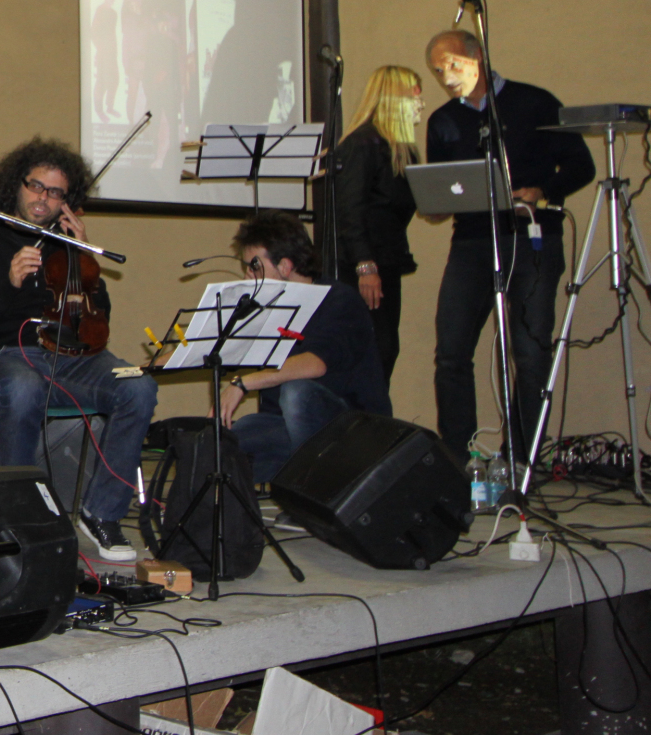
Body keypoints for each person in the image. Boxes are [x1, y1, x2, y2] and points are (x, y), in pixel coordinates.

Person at [0, 137, 158, 563]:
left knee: (138, 386)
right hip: (3, 355)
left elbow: (98, 319)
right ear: (16, 183)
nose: (42, 199)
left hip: (71, 357)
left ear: (66, 201)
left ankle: (102, 513)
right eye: (35, 186)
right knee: (24, 387)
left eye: (55, 193)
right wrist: (8, 284)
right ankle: (16, 517)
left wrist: (85, 259)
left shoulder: (67, 243)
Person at [423, 29, 595, 460]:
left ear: (478, 56)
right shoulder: (442, 121)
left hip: (532, 238)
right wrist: (436, 202)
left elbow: (582, 165)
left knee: (530, 353)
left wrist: (542, 191)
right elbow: (443, 188)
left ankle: (521, 458)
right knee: (451, 352)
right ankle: (458, 458)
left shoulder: (535, 102)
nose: (446, 77)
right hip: (471, 242)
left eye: (453, 65)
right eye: (438, 70)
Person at [214, 212, 391, 483]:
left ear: (285, 266)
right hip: (289, 427)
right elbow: (219, 347)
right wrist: (155, 363)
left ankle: (309, 491)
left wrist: (243, 383)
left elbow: (314, 364)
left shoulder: (340, 300)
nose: (249, 275)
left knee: (296, 392)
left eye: (255, 267)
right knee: (221, 444)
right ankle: (280, 487)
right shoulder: (267, 306)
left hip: (351, 428)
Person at [333, 66, 424, 384]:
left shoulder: (400, 149)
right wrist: (365, 266)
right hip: (363, 266)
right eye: (414, 95)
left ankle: (371, 411)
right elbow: (350, 210)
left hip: (387, 261)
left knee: (384, 349)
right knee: (373, 350)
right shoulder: (362, 144)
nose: (420, 103)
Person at [91, 0, 120, 122]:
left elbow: (112, 33)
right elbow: (93, 32)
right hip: (103, 52)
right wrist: (101, 48)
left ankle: (110, 107)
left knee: (114, 79)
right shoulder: (100, 10)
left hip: (112, 52)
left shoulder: (114, 13)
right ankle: (99, 110)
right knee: (101, 81)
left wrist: (113, 49)